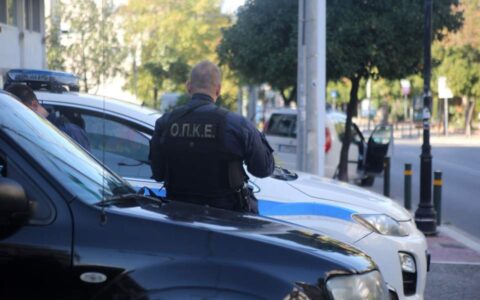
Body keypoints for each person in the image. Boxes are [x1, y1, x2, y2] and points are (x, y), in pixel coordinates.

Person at [150, 60, 274, 213]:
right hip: (227, 220)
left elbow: (158, 173)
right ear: (218, 89)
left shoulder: (165, 123)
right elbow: (262, 169)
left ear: (188, 86)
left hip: (179, 216)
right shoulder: (237, 125)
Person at [5, 84, 91, 151]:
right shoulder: (35, 134)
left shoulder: (70, 132)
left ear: (34, 105)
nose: (18, 120)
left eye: (19, 114)